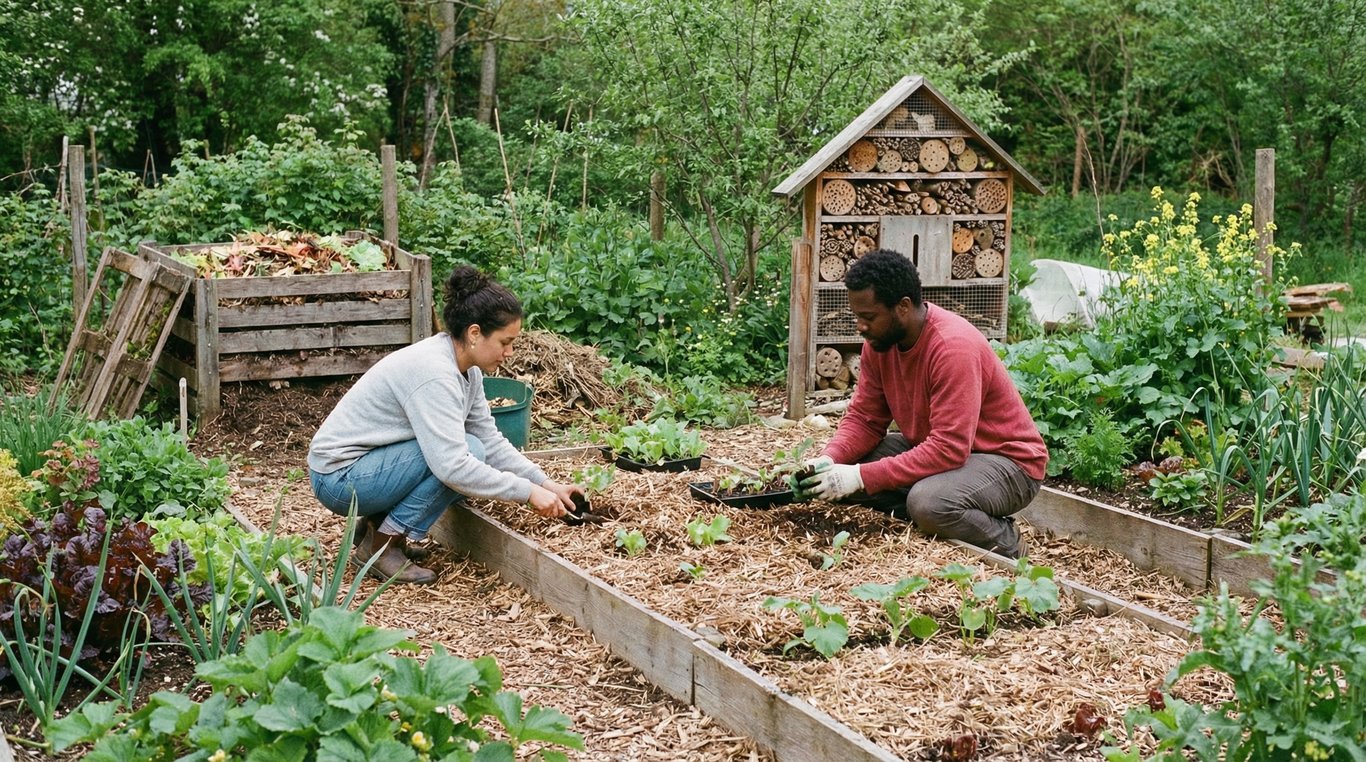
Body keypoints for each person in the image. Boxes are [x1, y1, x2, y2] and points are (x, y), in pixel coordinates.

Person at [308, 265, 581, 584]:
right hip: (339, 478)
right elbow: (452, 466)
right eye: (505, 342)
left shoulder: (468, 371)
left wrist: (545, 484)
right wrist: (527, 493)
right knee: (464, 454)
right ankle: (382, 548)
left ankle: (373, 529)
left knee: (474, 446)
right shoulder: (435, 374)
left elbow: (490, 440)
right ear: (475, 333)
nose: (509, 352)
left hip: (364, 468)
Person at [797, 249, 1048, 558]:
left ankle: (1008, 543)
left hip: (1007, 463)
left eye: (869, 317)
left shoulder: (952, 348)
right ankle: (938, 516)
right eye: (857, 316)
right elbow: (864, 418)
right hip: (950, 455)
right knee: (850, 469)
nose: (860, 326)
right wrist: (830, 460)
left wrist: (862, 477)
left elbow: (949, 448)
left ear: (902, 307)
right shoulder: (879, 344)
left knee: (928, 503)